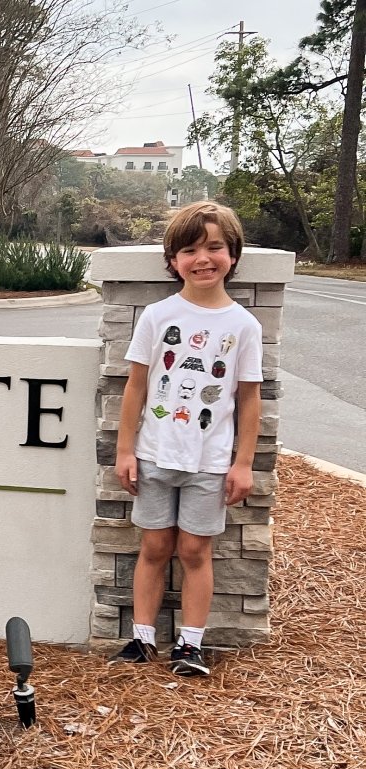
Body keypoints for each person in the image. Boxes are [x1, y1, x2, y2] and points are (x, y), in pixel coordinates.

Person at [110, 201, 263, 677]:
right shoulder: (157, 316)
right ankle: (141, 639)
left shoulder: (244, 326)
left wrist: (243, 463)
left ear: (232, 255)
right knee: (154, 547)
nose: (203, 258)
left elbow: (249, 399)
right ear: (173, 259)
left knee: (195, 552)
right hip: (154, 454)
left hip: (210, 462)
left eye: (215, 247)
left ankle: (190, 645)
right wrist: (125, 449)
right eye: (190, 249)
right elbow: (136, 385)